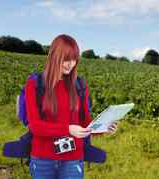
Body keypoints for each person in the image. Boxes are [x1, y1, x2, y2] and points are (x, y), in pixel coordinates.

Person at [25, 34, 118, 179]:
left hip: (72, 160)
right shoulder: (35, 84)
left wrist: (104, 128)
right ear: (54, 57)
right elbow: (35, 126)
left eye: (74, 59)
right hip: (43, 159)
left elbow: (85, 123)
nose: (71, 64)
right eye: (66, 59)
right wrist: (68, 129)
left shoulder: (79, 85)